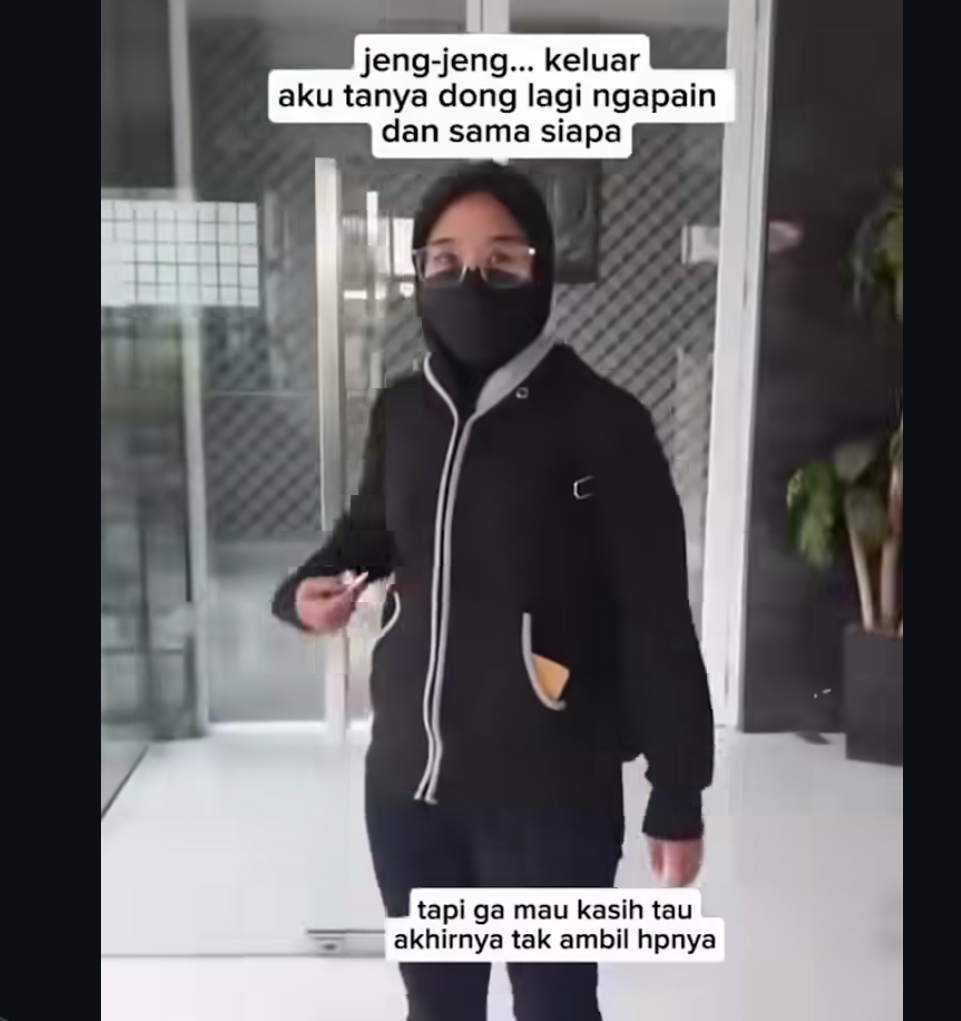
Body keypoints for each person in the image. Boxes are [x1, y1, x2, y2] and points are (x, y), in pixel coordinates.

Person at [272, 162, 715, 1021]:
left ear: (541, 270)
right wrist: (304, 589)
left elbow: (656, 616)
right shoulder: (403, 409)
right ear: (418, 274)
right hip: (407, 789)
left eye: (501, 260)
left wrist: (678, 787)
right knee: (437, 1003)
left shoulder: (604, 421)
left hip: (552, 798)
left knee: (554, 1003)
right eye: (444, 260)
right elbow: (371, 530)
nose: (471, 281)